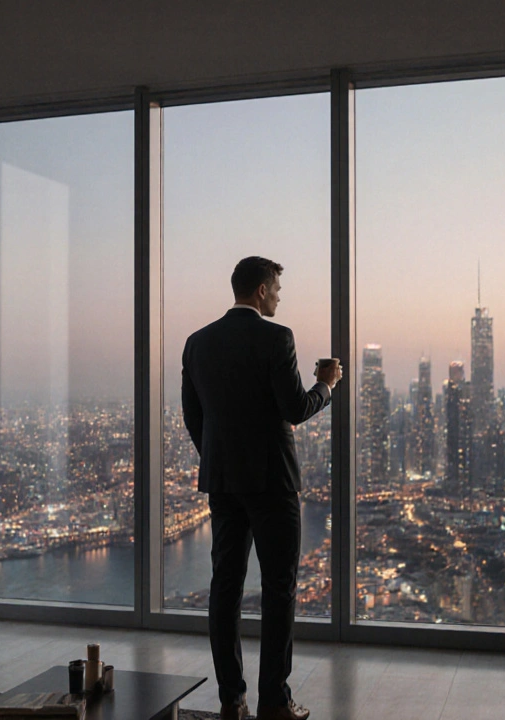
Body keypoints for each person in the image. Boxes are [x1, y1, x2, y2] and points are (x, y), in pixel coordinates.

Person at [181, 256, 342, 720]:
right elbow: (294, 407)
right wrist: (326, 385)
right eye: (275, 290)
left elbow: (195, 417)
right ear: (259, 291)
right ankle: (275, 701)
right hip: (272, 483)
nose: (278, 297)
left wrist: (219, 457)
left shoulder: (197, 343)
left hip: (223, 481)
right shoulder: (277, 337)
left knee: (224, 588)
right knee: (279, 590)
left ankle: (232, 701)